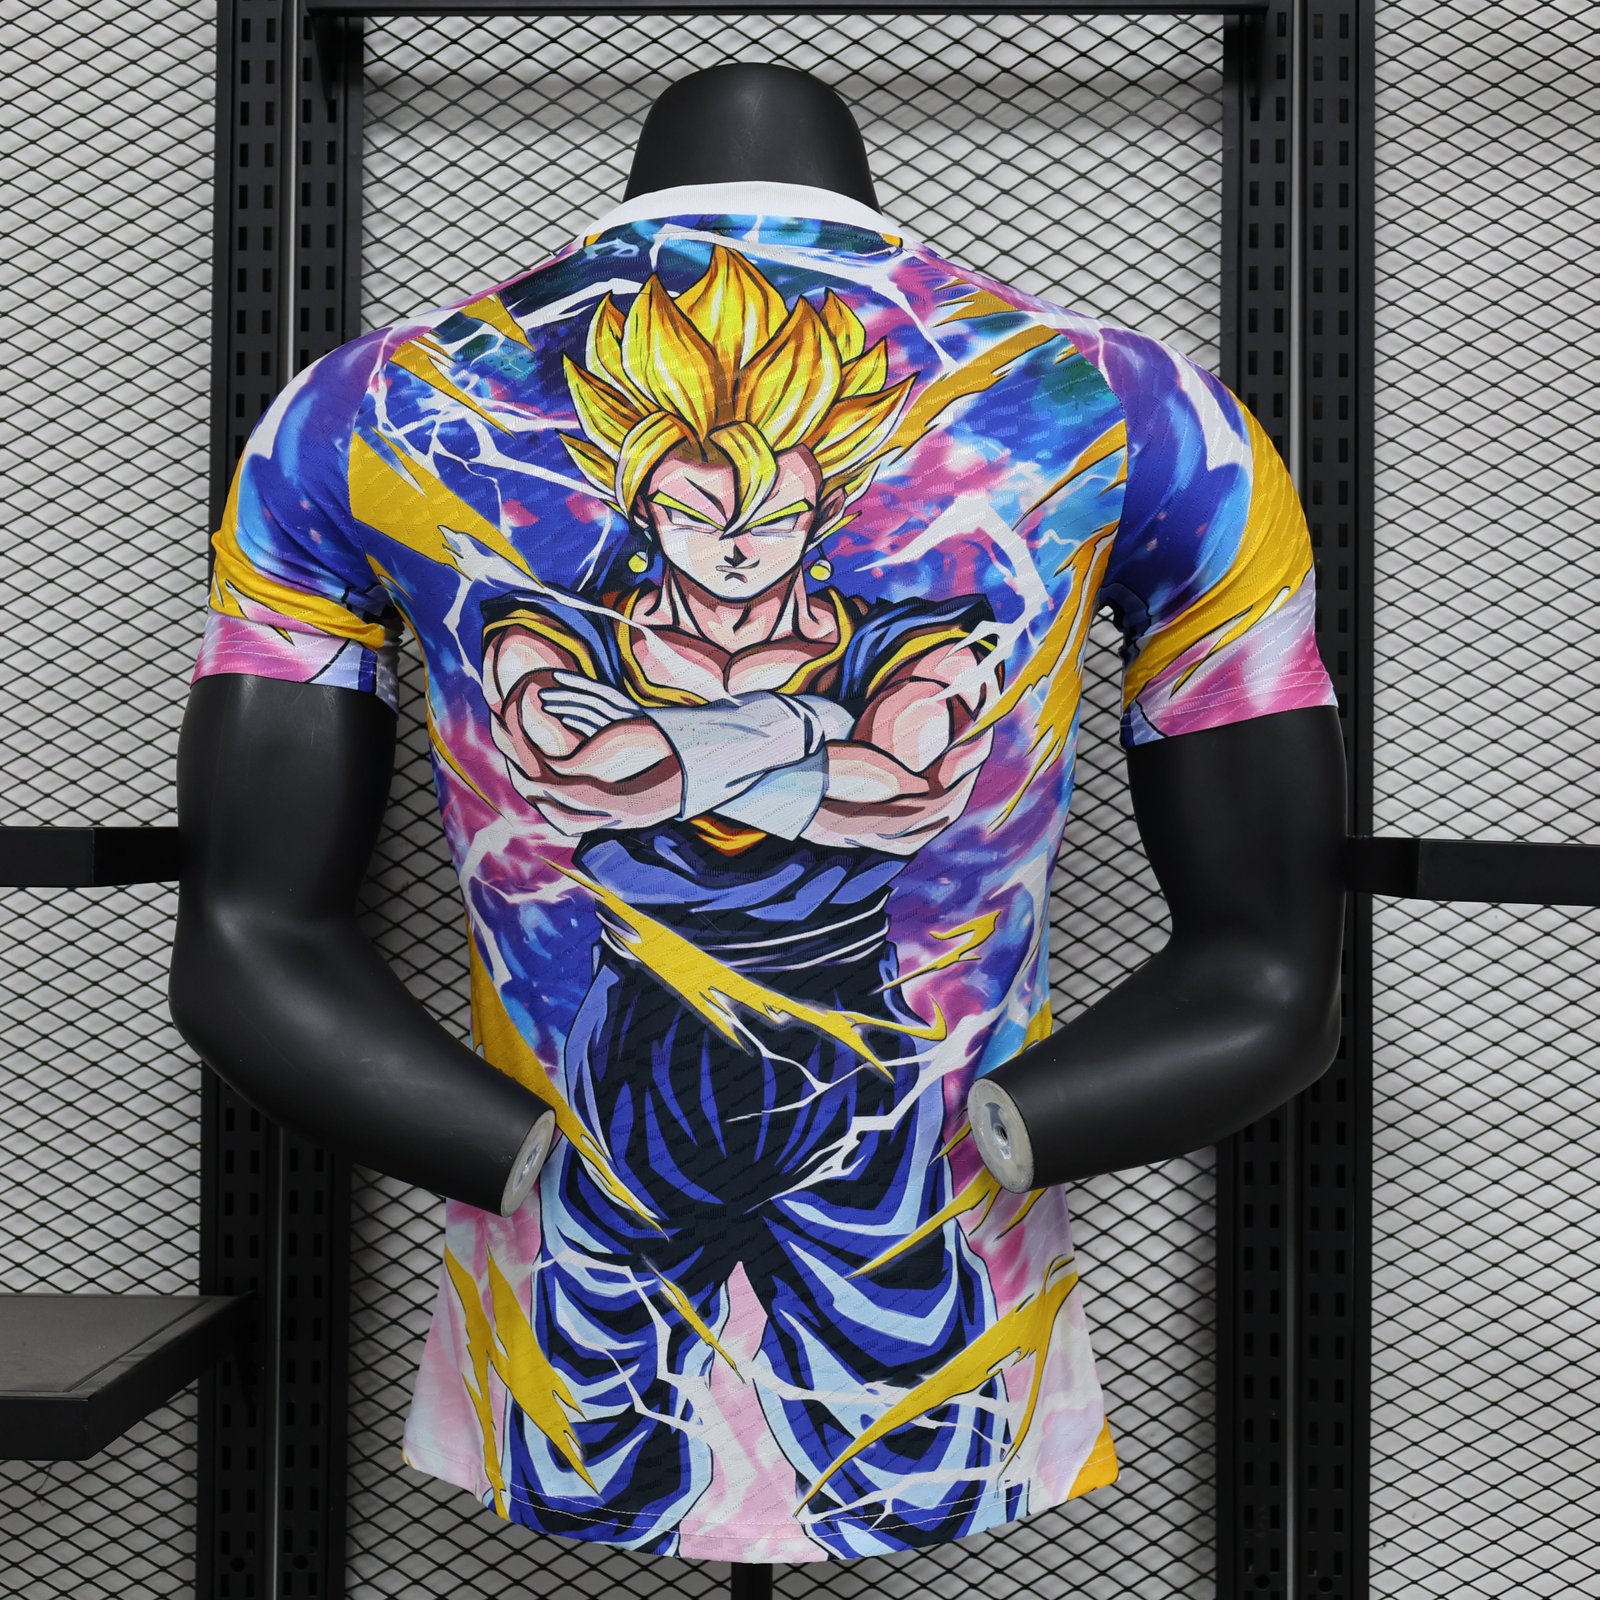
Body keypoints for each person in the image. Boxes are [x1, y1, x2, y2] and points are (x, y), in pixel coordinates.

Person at [172, 65, 1345, 1566]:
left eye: (773, 512)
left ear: (819, 496)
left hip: (890, 1104)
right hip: (610, 1096)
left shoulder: (1129, 417)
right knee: (600, 1407)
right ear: (642, 496)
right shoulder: (368, 424)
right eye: (693, 510)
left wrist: (1030, 1119)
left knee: (907, 1431)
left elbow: (1228, 947)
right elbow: (276, 922)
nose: (736, 545)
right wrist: (500, 1143)